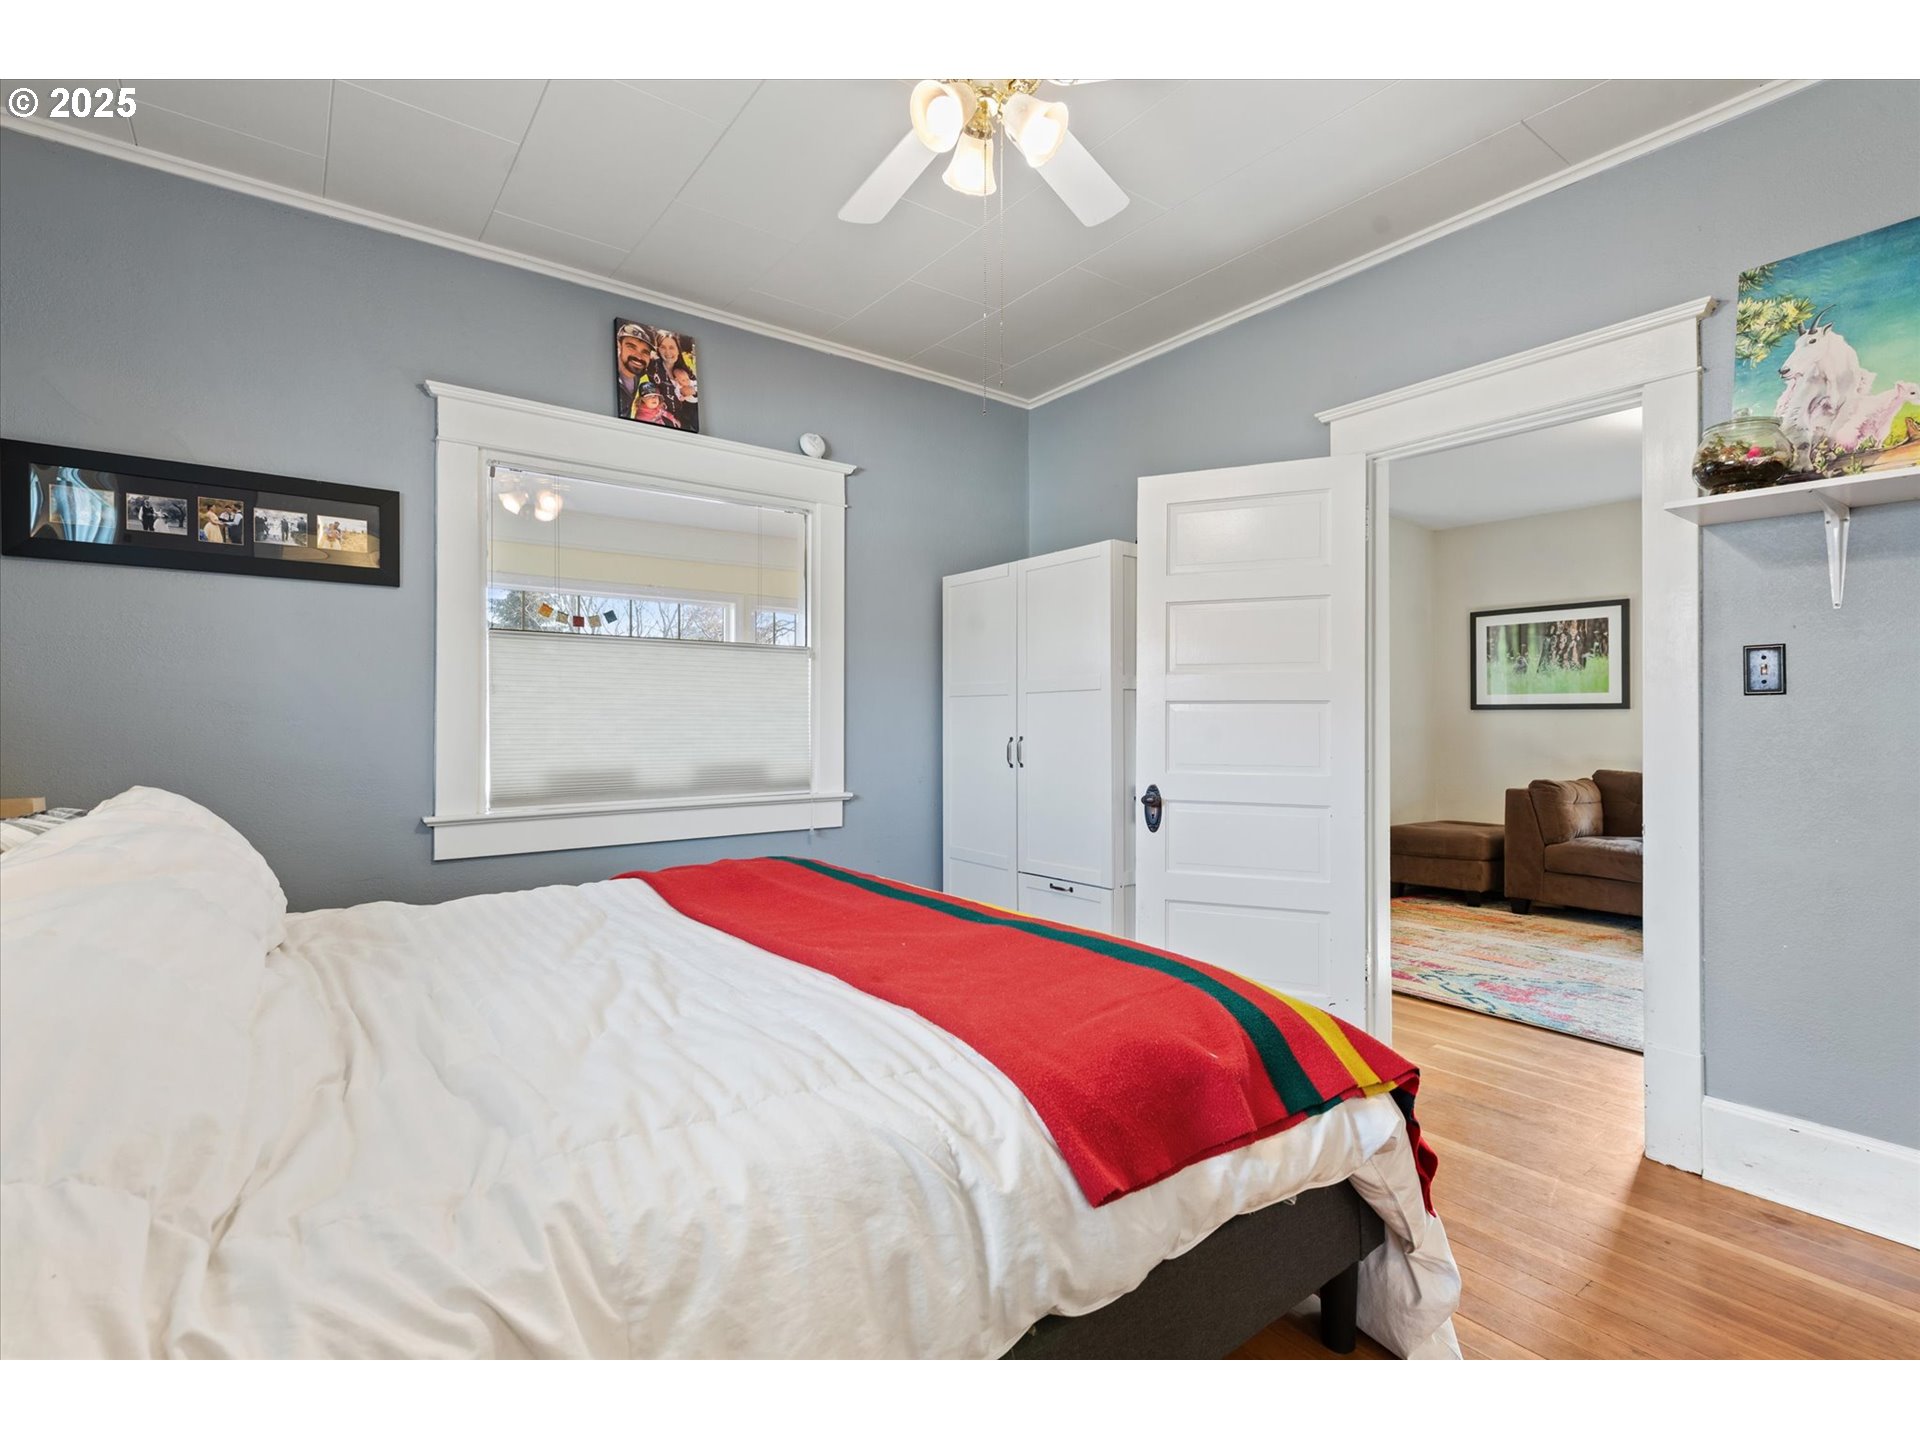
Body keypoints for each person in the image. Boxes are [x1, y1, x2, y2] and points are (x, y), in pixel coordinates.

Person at [615, 321, 657, 420]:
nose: (639, 356)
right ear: (619, 346)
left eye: (645, 352)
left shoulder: (639, 374)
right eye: (631, 347)